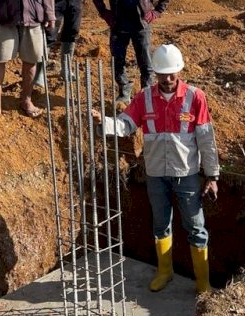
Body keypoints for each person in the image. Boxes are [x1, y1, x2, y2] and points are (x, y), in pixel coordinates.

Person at [93, 44, 219, 293]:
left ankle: (203, 283)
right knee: (161, 225)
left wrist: (212, 174)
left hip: (187, 175)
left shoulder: (195, 97)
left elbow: (206, 139)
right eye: (163, 74)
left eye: (172, 74)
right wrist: (104, 123)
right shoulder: (144, 97)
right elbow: (125, 124)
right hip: (155, 174)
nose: (168, 79)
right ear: (156, 73)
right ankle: (165, 272)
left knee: (195, 226)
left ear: (179, 72)